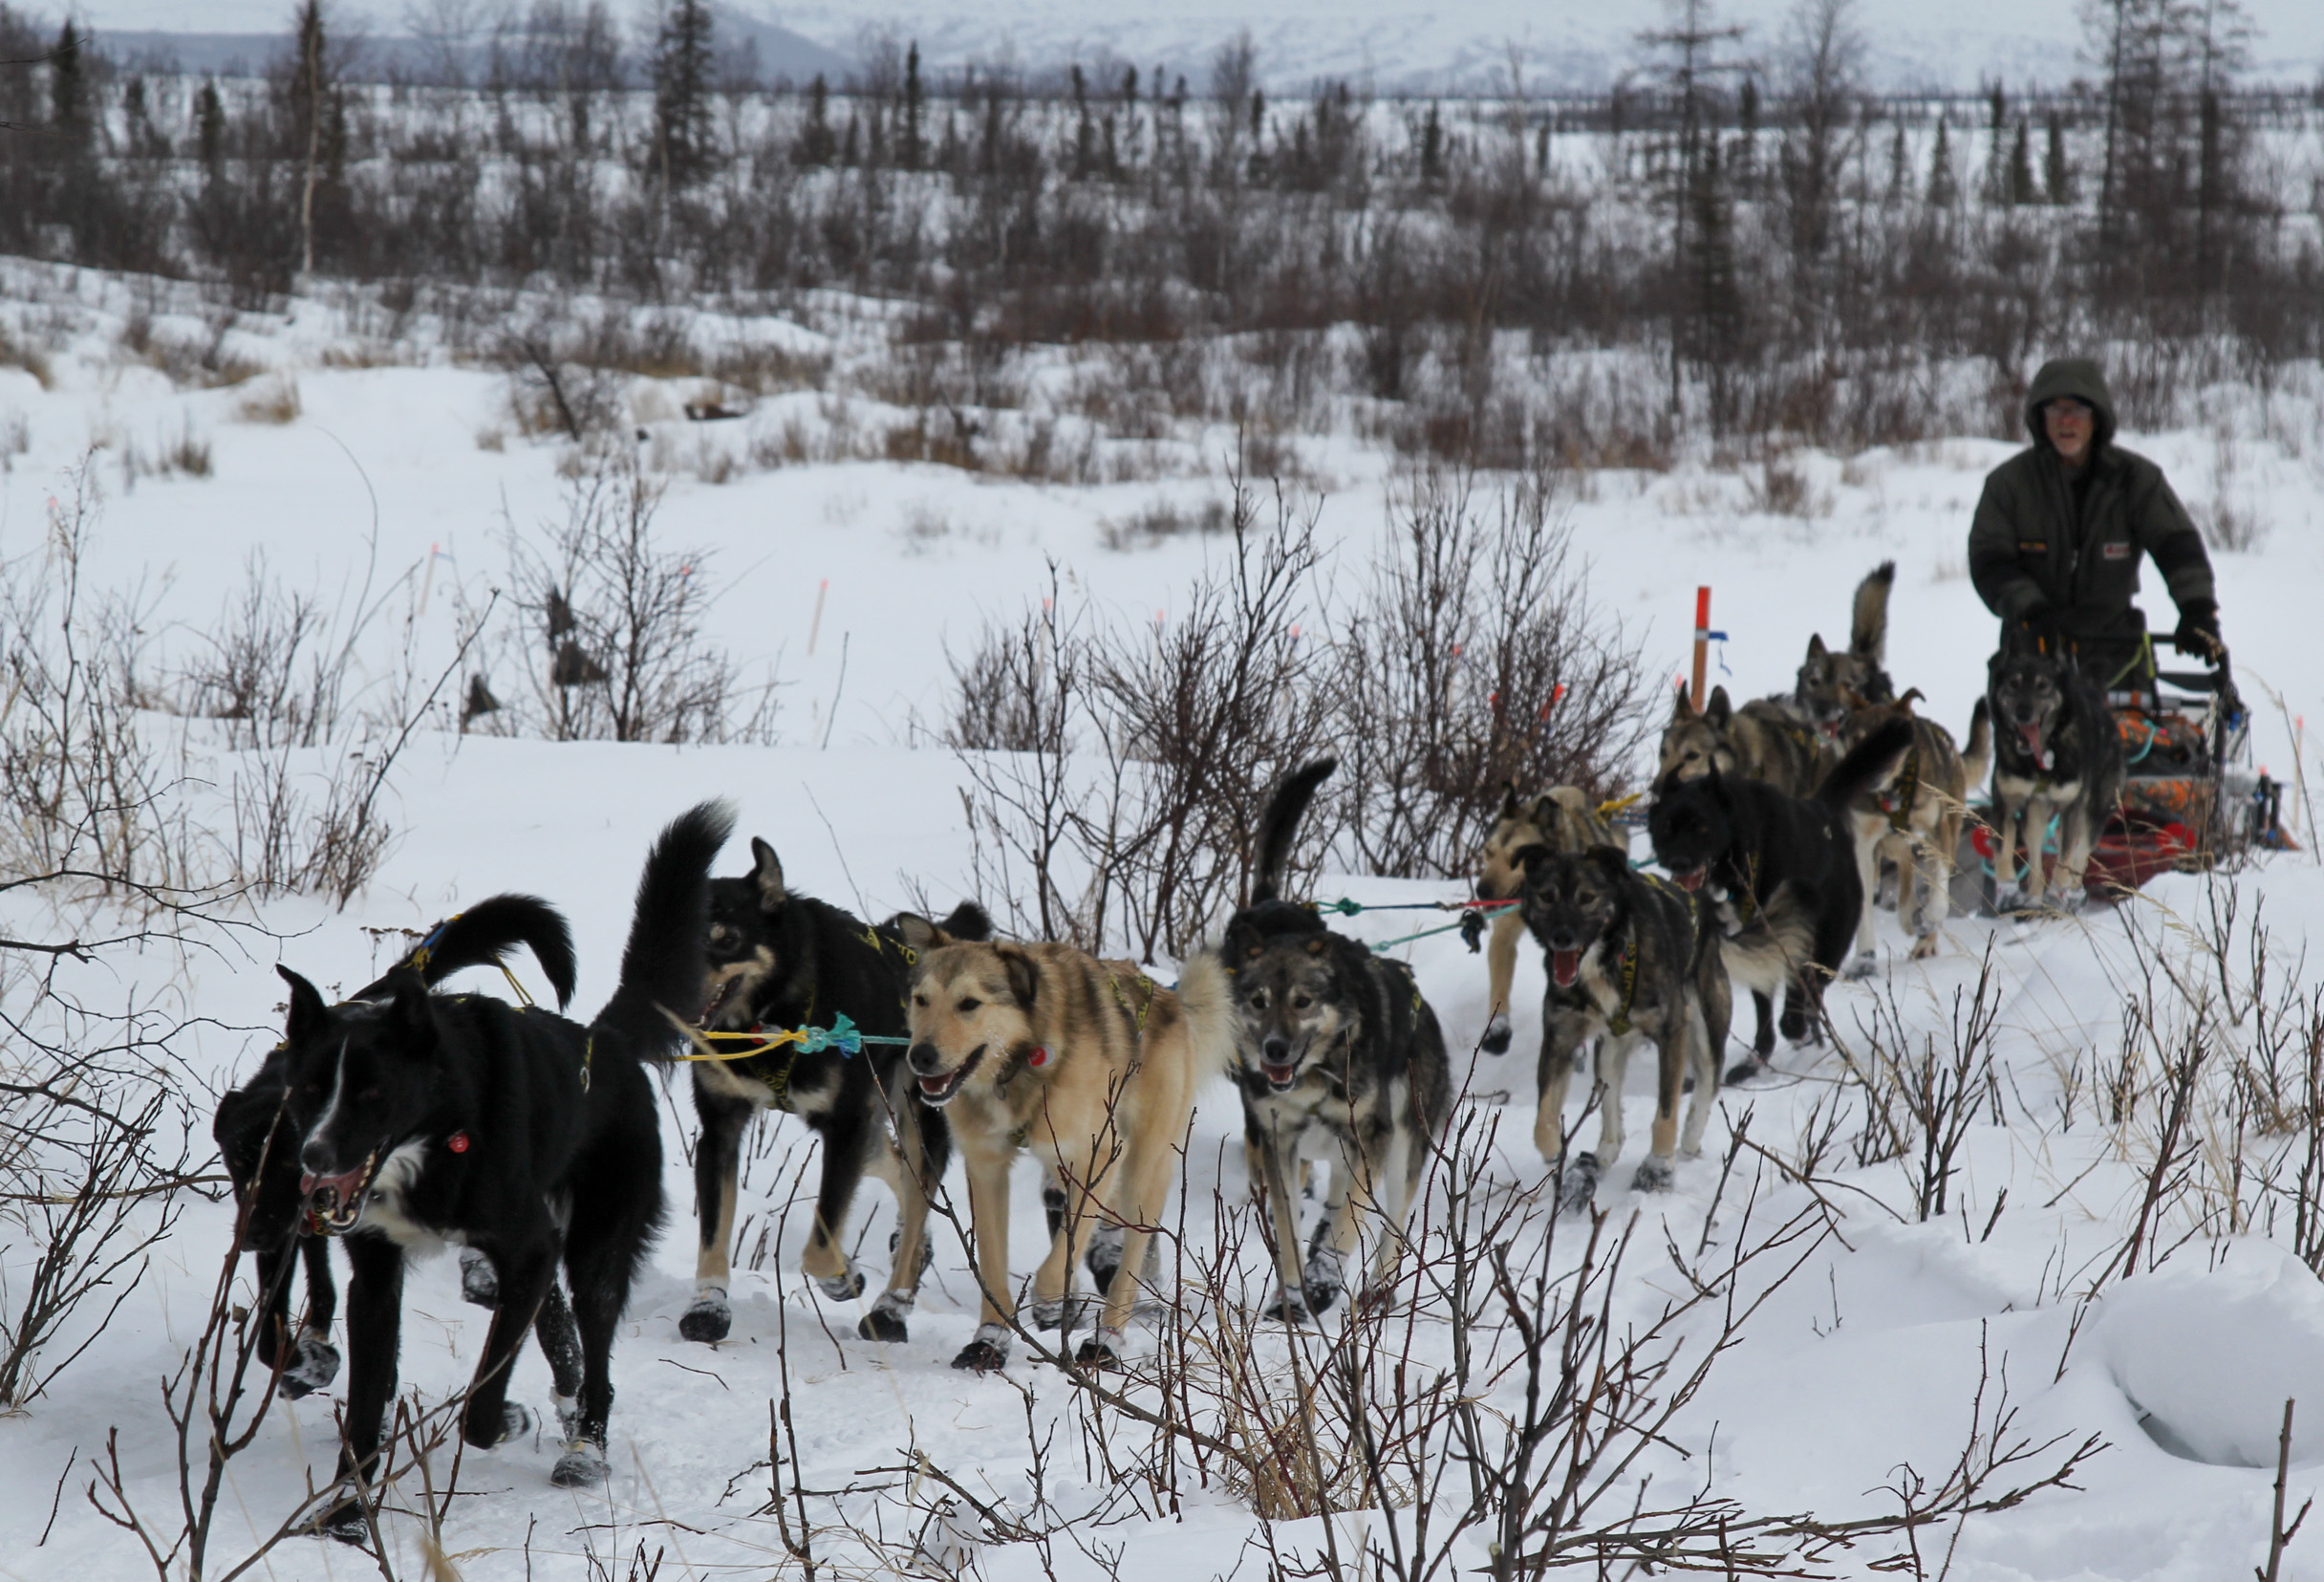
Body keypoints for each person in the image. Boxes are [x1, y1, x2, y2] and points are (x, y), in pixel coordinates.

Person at [1968, 358, 2221, 698]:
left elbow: (2176, 545)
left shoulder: (2136, 479)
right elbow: (1989, 559)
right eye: (2055, 410)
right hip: (2032, 651)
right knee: (2030, 748)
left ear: (2097, 418)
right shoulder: (2009, 484)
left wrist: (2197, 609)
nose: (2066, 421)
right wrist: (2030, 609)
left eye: (2078, 410)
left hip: (2116, 652)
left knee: (2130, 747)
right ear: (2040, 418)